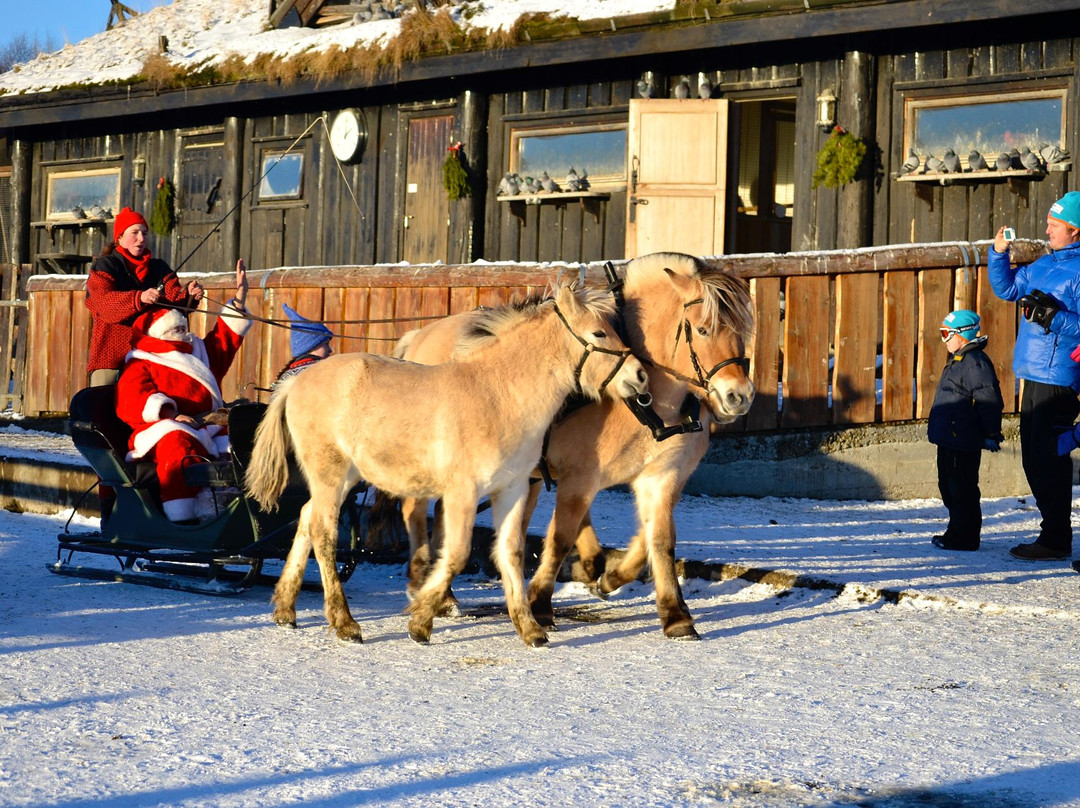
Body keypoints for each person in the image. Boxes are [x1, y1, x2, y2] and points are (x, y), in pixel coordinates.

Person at [115, 260, 251, 523]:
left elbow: (223, 343)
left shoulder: (196, 351)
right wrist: (170, 414)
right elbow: (131, 399)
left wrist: (239, 299)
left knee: (238, 438)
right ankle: (182, 514)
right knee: (176, 444)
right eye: (174, 330)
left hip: (205, 423)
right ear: (158, 333)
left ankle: (231, 500)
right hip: (162, 428)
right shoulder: (142, 360)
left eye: (182, 328)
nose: (181, 333)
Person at [988, 191, 1080, 561]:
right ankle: (1053, 534)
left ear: (1075, 231)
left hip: (1059, 376)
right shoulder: (1044, 264)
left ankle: (1055, 539)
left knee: (1046, 458)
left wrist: (1050, 317)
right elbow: (1008, 288)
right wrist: (998, 254)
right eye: (1047, 223)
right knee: (1036, 458)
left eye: (1054, 225)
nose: (1047, 230)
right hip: (1033, 371)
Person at [86, 207, 204, 387]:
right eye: (135, 233)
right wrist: (139, 298)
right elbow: (104, 305)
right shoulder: (105, 266)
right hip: (112, 361)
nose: (141, 239)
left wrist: (189, 295)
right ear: (119, 237)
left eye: (144, 233)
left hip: (151, 359)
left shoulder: (159, 268)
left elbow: (175, 302)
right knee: (101, 411)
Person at [927, 310, 1004, 552]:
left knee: (962, 488)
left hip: (963, 440)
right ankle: (957, 529)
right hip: (949, 438)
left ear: (963, 335)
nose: (944, 340)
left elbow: (989, 399)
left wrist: (991, 434)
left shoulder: (975, 363)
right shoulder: (959, 359)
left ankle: (965, 536)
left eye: (946, 334)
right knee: (947, 485)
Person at [272, 302, 335, 388]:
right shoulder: (323, 371)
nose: (330, 350)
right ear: (312, 345)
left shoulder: (286, 375)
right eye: (326, 344)